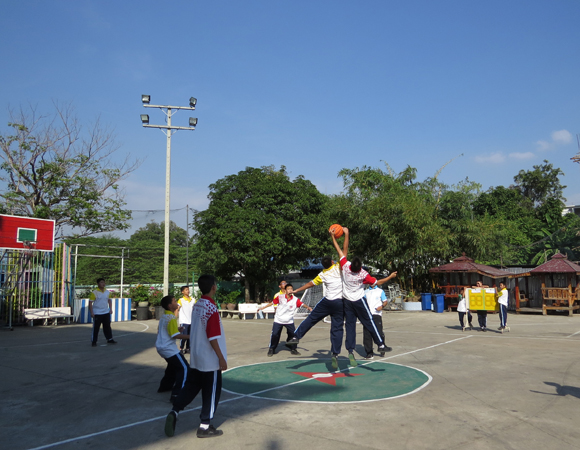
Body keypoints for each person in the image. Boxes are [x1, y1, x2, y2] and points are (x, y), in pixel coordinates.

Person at [164, 275, 227, 439]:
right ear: (213, 287)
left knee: (191, 387)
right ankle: (205, 426)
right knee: (211, 392)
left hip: (197, 356)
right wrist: (220, 357)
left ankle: (175, 410)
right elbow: (213, 336)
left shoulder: (198, 304)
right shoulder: (211, 308)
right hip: (209, 359)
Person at [287, 227, 351, 370]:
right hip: (339, 303)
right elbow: (344, 249)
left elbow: (310, 284)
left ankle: (296, 337)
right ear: (333, 261)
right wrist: (345, 234)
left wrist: (297, 289)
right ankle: (335, 353)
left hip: (327, 302)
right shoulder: (339, 267)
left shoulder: (322, 274)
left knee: (311, 319)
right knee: (337, 328)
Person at [332, 229, 397, 367]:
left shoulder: (345, 266)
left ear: (351, 264)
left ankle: (350, 350)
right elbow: (377, 283)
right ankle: (380, 344)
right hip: (359, 301)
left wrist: (335, 237)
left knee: (350, 326)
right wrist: (390, 277)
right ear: (360, 266)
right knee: (369, 322)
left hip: (347, 302)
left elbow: (342, 249)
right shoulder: (363, 274)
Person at [259, 284, 312, 357]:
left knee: (293, 335)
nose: (290, 290)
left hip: (289, 321)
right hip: (278, 319)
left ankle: (293, 349)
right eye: (288, 289)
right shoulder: (280, 297)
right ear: (285, 290)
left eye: (291, 289)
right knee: (275, 334)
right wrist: (263, 308)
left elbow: (302, 304)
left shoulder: (295, 299)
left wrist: (308, 308)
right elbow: (272, 303)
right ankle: (272, 348)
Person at [156, 295, 190, 402]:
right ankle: (177, 394)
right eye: (175, 301)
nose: (177, 303)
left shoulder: (164, 316)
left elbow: (167, 330)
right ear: (170, 305)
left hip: (161, 347)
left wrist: (177, 329)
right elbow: (174, 335)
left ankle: (165, 386)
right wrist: (191, 336)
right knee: (184, 368)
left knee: (172, 367)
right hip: (169, 349)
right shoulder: (171, 318)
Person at [363, 284, 389, 359]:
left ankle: (381, 347)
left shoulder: (380, 291)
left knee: (379, 332)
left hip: (376, 314)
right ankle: (369, 353)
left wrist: (382, 306)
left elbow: (385, 301)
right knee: (367, 335)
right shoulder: (366, 292)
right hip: (368, 315)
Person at [88, 278, 116, 346]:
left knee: (107, 326)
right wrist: (92, 312)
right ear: (98, 284)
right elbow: (90, 302)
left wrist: (110, 309)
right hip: (97, 312)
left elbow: (109, 300)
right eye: (101, 282)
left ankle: (109, 339)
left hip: (105, 312)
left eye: (104, 282)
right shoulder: (95, 292)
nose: (103, 284)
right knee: (96, 327)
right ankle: (94, 341)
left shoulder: (107, 292)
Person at [176, 286, 194, 354]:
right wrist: (175, 317)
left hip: (191, 321)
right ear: (182, 292)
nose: (188, 291)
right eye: (186, 290)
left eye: (188, 290)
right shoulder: (181, 300)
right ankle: (181, 348)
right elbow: (177, 308)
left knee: (190, 335)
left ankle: (188, 348)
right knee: (184, 335)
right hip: (184, 321)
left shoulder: (193, 300)